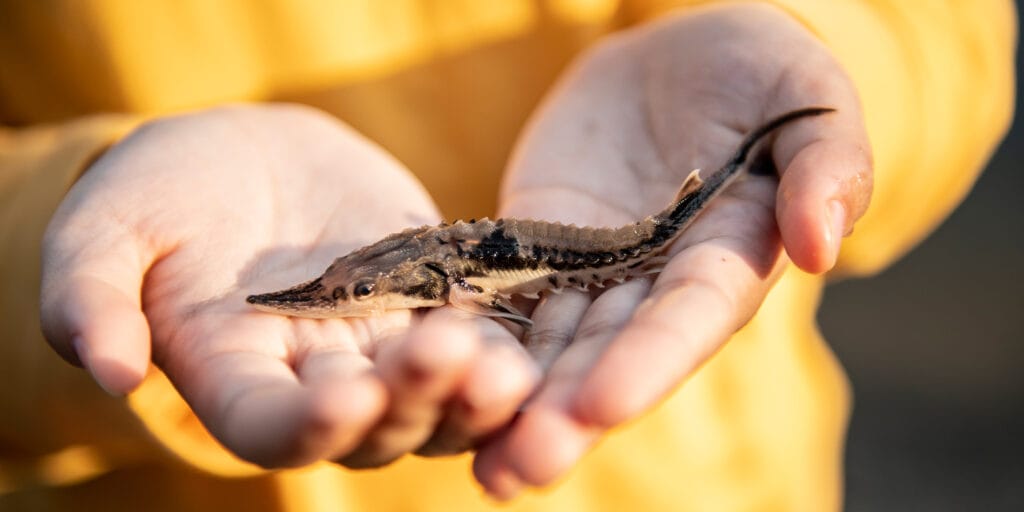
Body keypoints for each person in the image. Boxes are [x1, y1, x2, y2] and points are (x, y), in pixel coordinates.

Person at [0, 1, 1014, 510]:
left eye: (361, 289)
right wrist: (65, 197)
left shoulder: (456, 280)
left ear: (426, 283)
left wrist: (821, 33)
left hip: (710, 478)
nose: (348, 297)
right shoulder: (422, 273)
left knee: (657, 244)